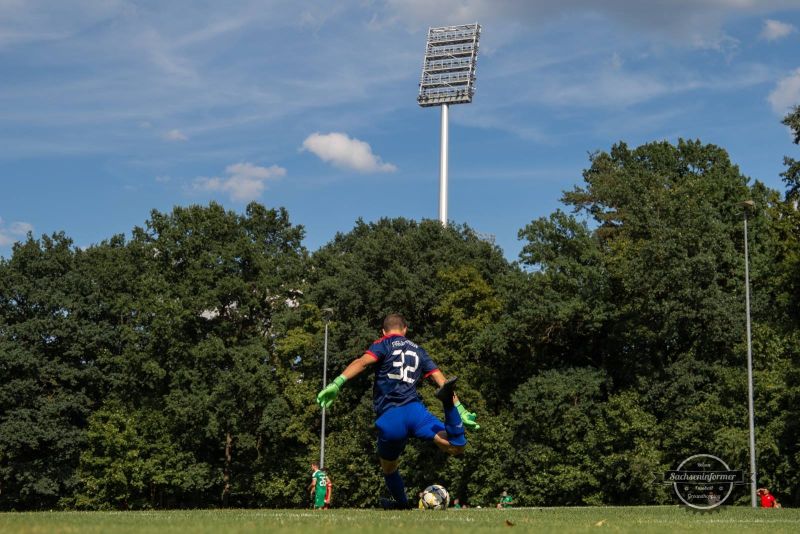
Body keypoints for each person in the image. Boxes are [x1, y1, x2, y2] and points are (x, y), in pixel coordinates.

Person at [316, 313, 479, 509]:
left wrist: (337, 383)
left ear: (384, 331)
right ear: (405, 330)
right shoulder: (418, 350)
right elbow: (441, 381)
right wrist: (460, 408)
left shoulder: (382, 344)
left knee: (389, 467)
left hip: (391, 416)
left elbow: (362, 362)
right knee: (456, 446)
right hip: (415, 412)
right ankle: (449, 408)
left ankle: (402, 503)